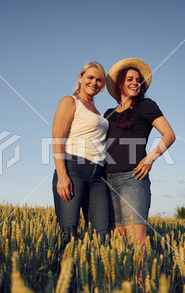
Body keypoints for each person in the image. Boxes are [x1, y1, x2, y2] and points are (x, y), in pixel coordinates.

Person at [104, 58, 175, 251]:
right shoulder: (108, 113)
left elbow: (169, 135)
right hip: (107, 181)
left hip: (132, 178)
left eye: (138, 80)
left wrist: (150, 158)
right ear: (120, 83)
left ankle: (141, 282)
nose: (135, 83)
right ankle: (122, 282)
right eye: (130, 79)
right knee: (117, 245)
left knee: (136, 243)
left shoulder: (146, 105)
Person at [52, 62, 110, 249]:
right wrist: (62, 176)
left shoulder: (98, 111)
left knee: (102, 234)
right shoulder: (70, 101)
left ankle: (95, 277)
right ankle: (64, 276)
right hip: (73, 169)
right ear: (80, 77)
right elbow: (57, 138)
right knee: (69, 232)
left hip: (98, 175)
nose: (94, 82)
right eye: (90, 77)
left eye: (99, 80)